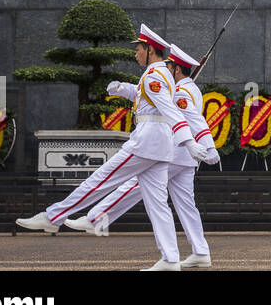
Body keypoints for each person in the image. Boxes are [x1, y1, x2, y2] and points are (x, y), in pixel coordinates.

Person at [14, 25, 209, 271]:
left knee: (98, 181)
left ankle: (54, 216)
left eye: (139, 48)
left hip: (146, 142)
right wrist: (122, 88)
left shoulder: (154, 76)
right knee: (158, 203)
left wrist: (189, 141)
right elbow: (148, 99)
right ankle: (170, 258)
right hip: (159, 145)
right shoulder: (161, 75)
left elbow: (170, 111)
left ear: (150, 49)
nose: (136, 53)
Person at [63, 43, 219, 269]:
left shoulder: (182, 91)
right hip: (185, 157)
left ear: (176, 69)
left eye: (169, 67)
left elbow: (190, 119)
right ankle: (201, 251)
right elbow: (145, 93)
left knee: (133, 186)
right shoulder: (188, 89)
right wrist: (123, 88)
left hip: (173, 152)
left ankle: (95, 218)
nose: (165, 69)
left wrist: (208, 146)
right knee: (186, 205)